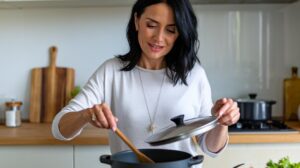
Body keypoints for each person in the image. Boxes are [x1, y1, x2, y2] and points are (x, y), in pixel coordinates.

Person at [52, 0, 240, 167]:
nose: (158, 38)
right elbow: (59, 129)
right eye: (151, 25)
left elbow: (211, 148)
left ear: (179, 34)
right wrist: (87, 114)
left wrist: (221, 122)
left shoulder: (194, 75)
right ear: (137, 21)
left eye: (170, 30)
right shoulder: (112, 71)